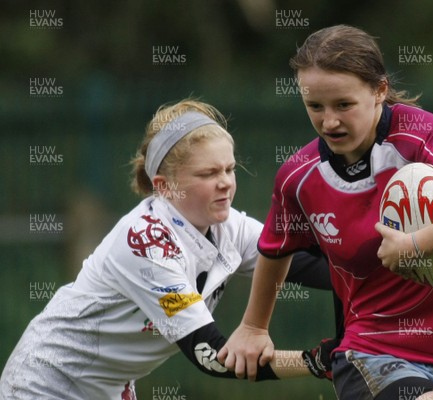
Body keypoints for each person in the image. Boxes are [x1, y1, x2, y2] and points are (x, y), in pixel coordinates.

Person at [218, 25, 433, 400]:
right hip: (373, 351)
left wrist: (415, 244)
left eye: (343, 105)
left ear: (379, 90)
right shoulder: (298, 177)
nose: (329, 121)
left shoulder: (420, 137)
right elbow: (276, 246)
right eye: (315, 107)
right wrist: (254, 326)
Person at [0, 99, 337, 400]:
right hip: (42, 384)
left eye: (229, 169)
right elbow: (211, 356)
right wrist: (318, 362)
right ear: (163, 186)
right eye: (208, 173)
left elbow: (312, 264)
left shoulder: (228, 226)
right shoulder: (147, 245)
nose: (226, 182)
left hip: (109, 388)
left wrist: (383, 270)